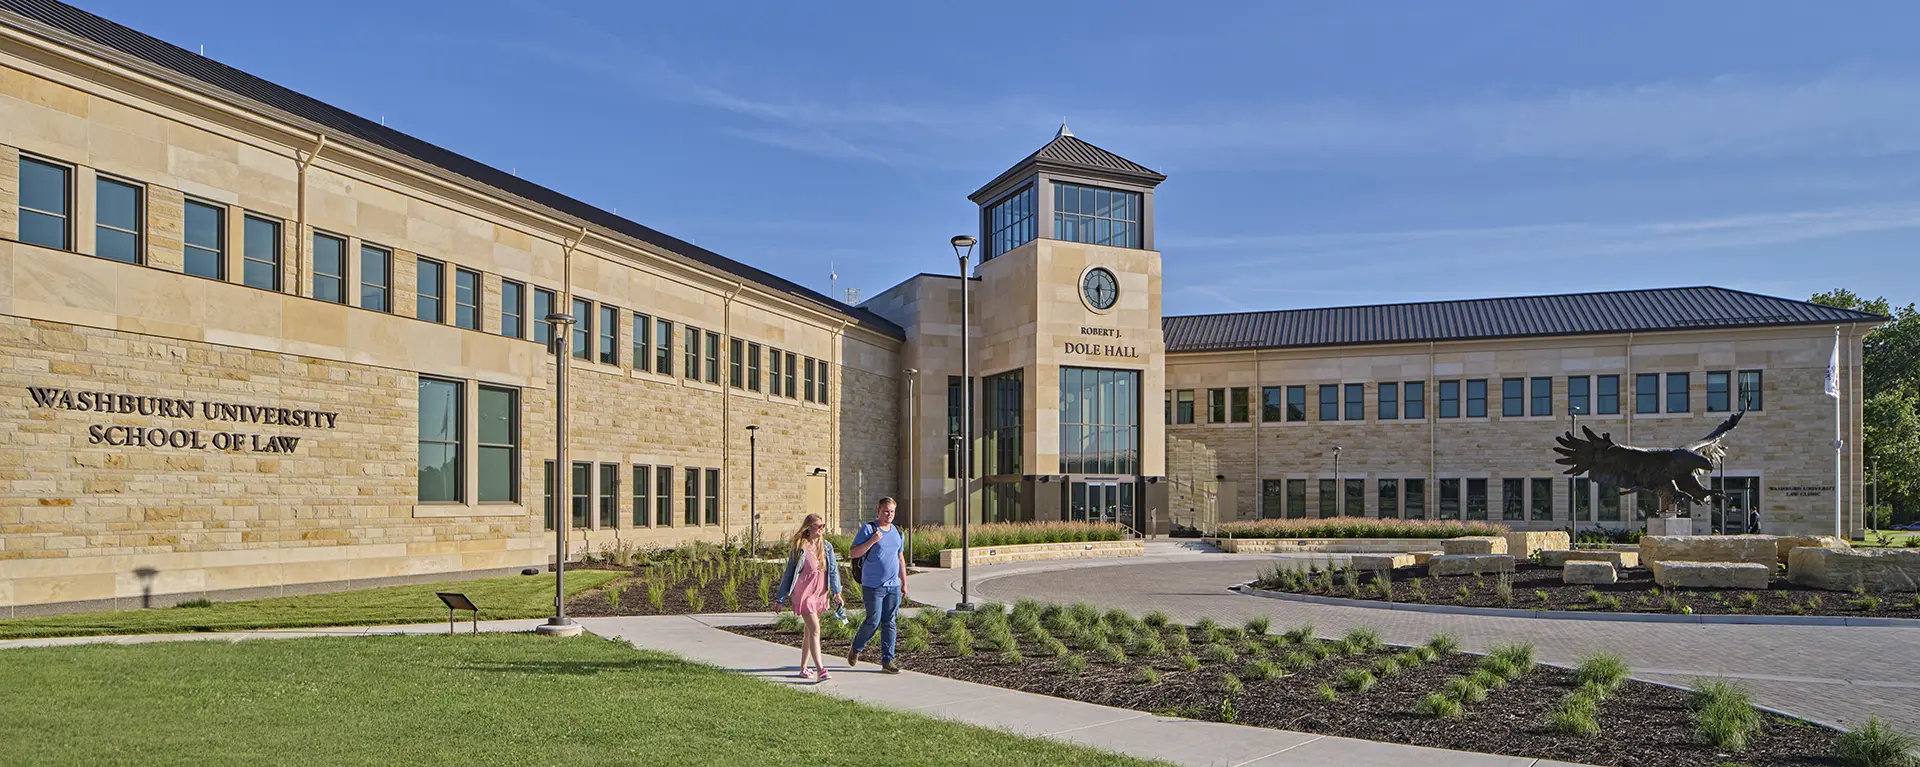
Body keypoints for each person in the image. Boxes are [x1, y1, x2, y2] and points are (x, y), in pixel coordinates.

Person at [774, 513, 843, 682]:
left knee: (809, 631)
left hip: (820, 593)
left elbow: (833, 571)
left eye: (823, 526)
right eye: (818, 526)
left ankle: (803, 667)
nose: (821, 529)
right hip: (804, 594)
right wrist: (780, 598)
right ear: (809, 528)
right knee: (815, 630)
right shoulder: (800, 548)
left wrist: (837, 593)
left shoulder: (826, 547)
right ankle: (821, 669)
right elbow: (789, 573)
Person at [848, 496, 909, 673]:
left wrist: (904, 582)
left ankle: (888, 661)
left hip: (893, 586)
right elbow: (853, 553)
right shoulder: (869, 529)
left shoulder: (898, 531)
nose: (889, 514)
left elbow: (900, 558)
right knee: (873, 621)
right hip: (873, 586)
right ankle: (856, 648)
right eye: (886, 511)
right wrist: (872, 541)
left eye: (892, 511)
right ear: (878, 511)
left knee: (890, 622)